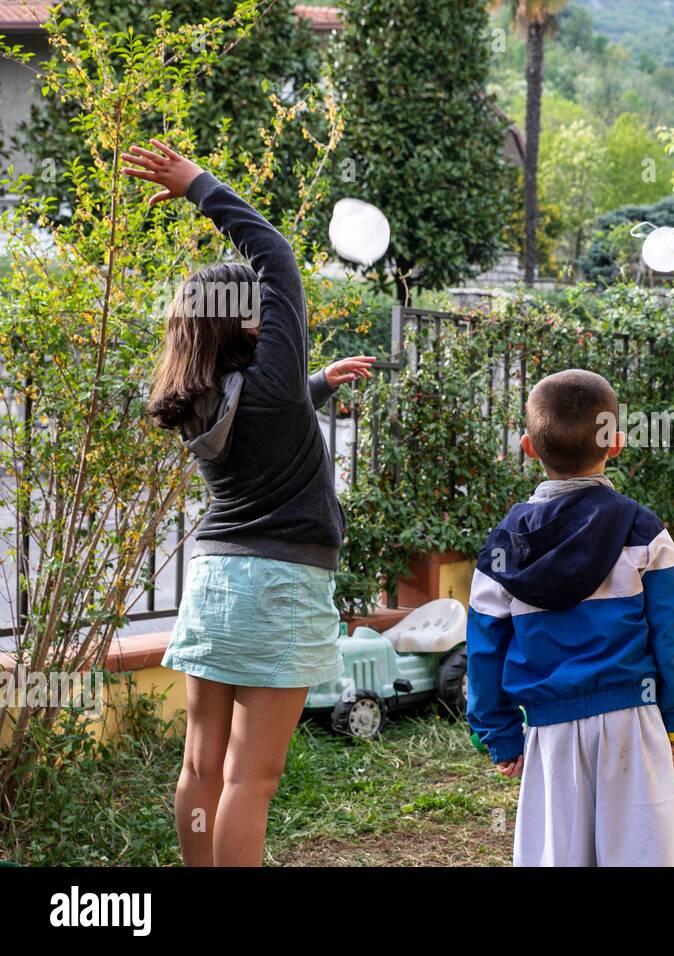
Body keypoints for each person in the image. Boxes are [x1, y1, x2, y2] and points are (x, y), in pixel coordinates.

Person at [125, 140, 375, 867]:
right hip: (281, 585)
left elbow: (272, 418)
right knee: (251, 779)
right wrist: (198, 184)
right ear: (244, 320)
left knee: (202, 769)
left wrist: (316, 384)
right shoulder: (268, 378)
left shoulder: (196, 398)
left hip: (214, 583)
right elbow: (276, 254)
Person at [466, 368, 674, 866]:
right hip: (633, 723)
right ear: (614, 444)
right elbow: (672, 636)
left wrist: (499, 734)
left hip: (549, 734)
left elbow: (484, 649)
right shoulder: (644, 532)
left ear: (529, 447)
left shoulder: (503, 548)